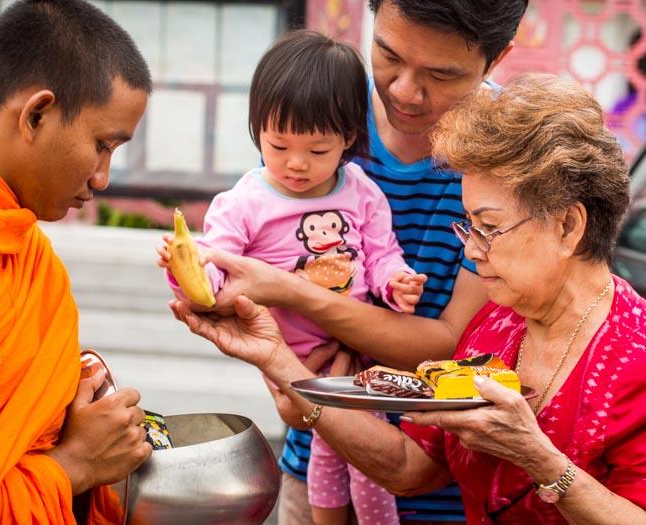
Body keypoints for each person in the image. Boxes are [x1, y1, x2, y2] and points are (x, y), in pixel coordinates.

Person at [172, 73, 646, 525]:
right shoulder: (497, 325)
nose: (471, 248)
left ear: (568, 225)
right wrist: (279, 359)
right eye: (468, 226)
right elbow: (410, 467)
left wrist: (541, 460)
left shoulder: (635, 357)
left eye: (490, 228)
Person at [171, 1, 529, 523]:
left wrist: (291, 296)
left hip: (449, 488)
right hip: (315, 452)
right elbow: (265, 249)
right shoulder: (318, 104)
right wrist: (284, 376)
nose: (405, 90)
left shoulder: (507, 156)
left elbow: (450, 343)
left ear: (497, 59)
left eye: (441, 74)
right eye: (388, 54)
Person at [157, 30, 423, 524]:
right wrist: (184, 270)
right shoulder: (243, 204)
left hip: (363, 346)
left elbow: (383, 253)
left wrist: (396, 282)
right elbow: (214, 274)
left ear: (347, 137)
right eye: (278, 145)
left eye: (317, 151)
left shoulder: (362, 191)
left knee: (367, 458)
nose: (296, 164)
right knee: (328, 443)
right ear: (257, 129)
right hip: (300, 360)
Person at [0, 0, 152, 522]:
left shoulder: (16, 239)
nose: (103, 177)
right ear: (36, 114)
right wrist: (75, 465)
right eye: (103, 145)